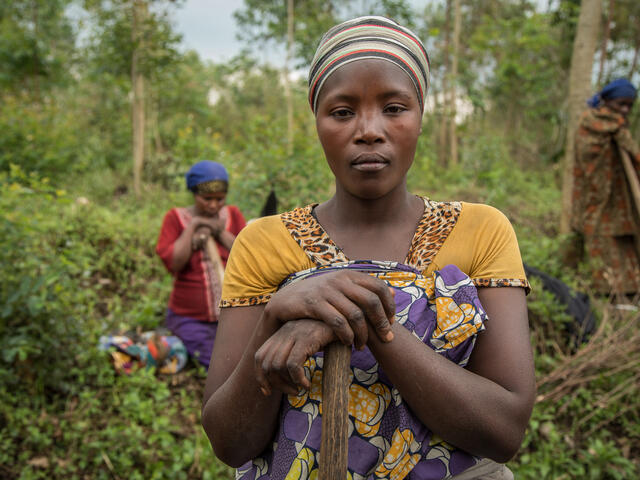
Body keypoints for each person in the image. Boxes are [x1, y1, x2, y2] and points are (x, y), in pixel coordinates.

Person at [202, 16, 535, 480]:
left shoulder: (482, 230)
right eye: (342, 111)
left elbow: (504, 430)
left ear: (420, 117)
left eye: (394, 108)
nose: (369, 130)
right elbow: (229, 442)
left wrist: (368, 323)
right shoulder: (264, 242)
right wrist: (274, 321)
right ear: (318, 124)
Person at [156, 160, 246, 368]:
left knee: (239, 357)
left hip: (232, 315)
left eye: (219, 199)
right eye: (206, 199)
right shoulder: (175, 218)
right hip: (190, 318)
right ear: (194, 195)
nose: (213, 205)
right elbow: (174, 263)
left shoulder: (232, 215)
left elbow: (246, 255)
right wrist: (195, 226)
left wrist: (217, 231)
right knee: (215, 363)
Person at [571, 78, 640, 295]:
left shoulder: (619, 128)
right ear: (608, 101)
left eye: (629, 105)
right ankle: (604, 290)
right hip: (596, 196)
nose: (625, 110)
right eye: (621, 104)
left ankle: (630, 288)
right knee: (599, 237)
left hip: (621, 199)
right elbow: (585, 157)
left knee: (624, 240)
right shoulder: (590, 123)